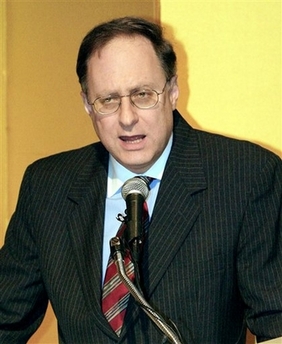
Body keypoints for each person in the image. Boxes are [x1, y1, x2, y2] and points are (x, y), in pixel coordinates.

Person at [0, 16, 281, 344]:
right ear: (87, 105)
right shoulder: (48, 186)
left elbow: (277, 321)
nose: (127, 117)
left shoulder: (245, 176)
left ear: (173, 91)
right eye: (108, 100)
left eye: (143, 95)